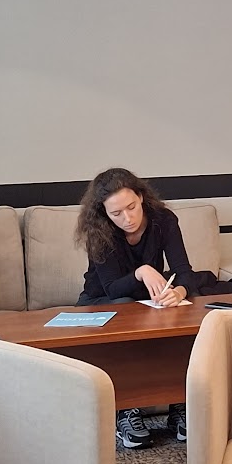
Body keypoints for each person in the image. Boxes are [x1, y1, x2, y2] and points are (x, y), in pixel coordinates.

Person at [75, 167, 199, 448]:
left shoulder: (163, 220)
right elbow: (112, 289)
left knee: (182, 312)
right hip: (102, 301)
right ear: (104, 213)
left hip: (145, 301)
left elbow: (184, 272)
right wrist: (142, 271)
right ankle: (126, 410)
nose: (127, 219)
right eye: (116, 213)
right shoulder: (99, 231)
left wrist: (178, 292)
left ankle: (179, 403)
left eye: (131, 207)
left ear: (141, 197)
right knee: (124, 307)